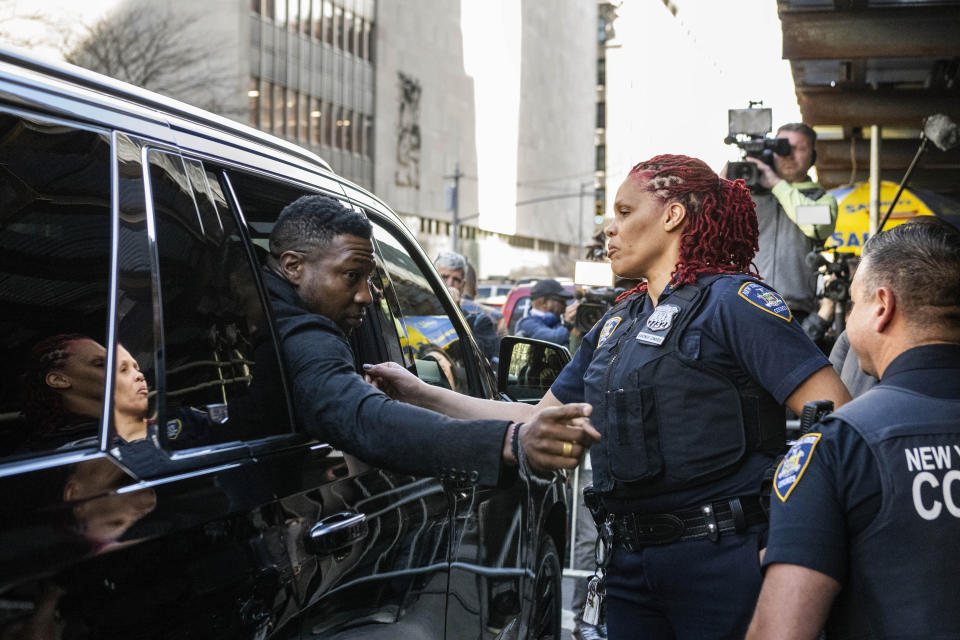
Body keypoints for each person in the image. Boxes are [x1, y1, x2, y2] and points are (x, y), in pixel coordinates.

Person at [366, 155, 851, 639]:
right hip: (629, 566)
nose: (608, 229)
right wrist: (417, 392)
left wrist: (796, 539)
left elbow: (835, 418)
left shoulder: (734, 301)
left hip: (725, 559)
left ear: (672, 215)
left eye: (623, 212)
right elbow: (534, 416)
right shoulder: (619, 319)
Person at [262, 195, 598, 485]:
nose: (366, 295)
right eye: (352, 276)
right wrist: (510, 441)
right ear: (293, 266)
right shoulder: (304, 333)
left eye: (368, 278)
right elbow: (362, 418)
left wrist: (421, 393)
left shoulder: (260, 311)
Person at [747, 218, 960, 639]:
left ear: (882, 306)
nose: (849, 318)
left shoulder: (838, 446)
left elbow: (781, 631)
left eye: (854, 303)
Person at [722, 122, 838, 320]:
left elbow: (815, 226)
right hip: (742, 304)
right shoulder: (746, 194)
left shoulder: (822, 200)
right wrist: (721, 188)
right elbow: (712, 230)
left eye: (799, 148)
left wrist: (775, 183)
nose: (789, 155)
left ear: (813, 155)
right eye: (782, 147)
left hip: (795, 310)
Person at [434, 250, 501, 361]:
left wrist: (454, 311)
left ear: (463, 285)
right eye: (444, 277)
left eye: (456, 279)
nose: (449, 284)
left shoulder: (479, 322)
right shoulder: (414, 314)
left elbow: (477, 356)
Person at [514, 279, 577, 349]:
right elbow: (553, 338)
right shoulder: (526, 324)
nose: (565, 305)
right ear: (544, 302)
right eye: (561, 301)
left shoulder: (558, 322)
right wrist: (568, 324)